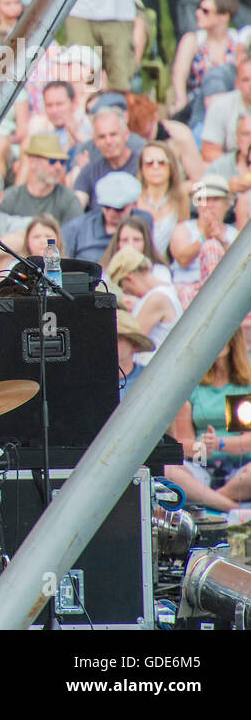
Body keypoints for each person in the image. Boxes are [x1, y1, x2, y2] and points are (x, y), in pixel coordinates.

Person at [165, 330, 251, 511]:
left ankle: (212, 500)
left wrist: (219, 443)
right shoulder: (193, 386)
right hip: (202, 463)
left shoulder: (243, 385)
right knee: (169, 471)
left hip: (240, 467)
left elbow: (247, 441)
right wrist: (204, 448)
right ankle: (230, 507)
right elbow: (183, 441)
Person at [171, 0, 239, 126]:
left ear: (224, 16)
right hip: (197, 103)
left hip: (230, 100)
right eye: (198, 9)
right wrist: (180, 99)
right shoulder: (193, 40)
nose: (198, 13)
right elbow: (179, 74)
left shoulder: (237, 41)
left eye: (205, 11)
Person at [169, 173, 235, 306]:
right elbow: (182, 259)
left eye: (215, 199)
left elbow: (242, 267)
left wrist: (222, 241)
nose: (209, 205)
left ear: (227, 204)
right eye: (205, 199)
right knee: (210, 245)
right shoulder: (184, 228)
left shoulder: (234, 234)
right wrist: (204, 237)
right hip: (186, 288)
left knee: (213, 247)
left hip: (225, 293)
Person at [107, 247, 180, 362]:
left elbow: (131, 340)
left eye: (123, 287)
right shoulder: (164, 291)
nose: (126, 292)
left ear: (129, 279)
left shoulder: (157, 298)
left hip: (154, 369)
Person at [63, 171, 148, 263]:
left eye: (118, 209)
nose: (111, 213)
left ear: (134, 204)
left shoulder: (145, 221)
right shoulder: (77, 228)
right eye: (107, 207)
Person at [1, 133, 83, 226]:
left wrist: (48, 240)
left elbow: (73, 237)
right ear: (32, 162)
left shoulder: (69, 200)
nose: (58, 167)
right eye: (52, 161)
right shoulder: (10, 198)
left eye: (62, 162)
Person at [74, 106, 142, 210]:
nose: (108, 141)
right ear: (95, 141)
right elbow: (77, 206)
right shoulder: (90, 171)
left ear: (126, 135)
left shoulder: (143, 166)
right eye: (102, 137)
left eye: (113, 134)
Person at [134, 140, 188, 257]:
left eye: (162, 162)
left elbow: (184, 234)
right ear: (141, 167)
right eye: (149, 163)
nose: (155, 167)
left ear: (171, 166)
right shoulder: (134, 198)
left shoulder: (181, 197)